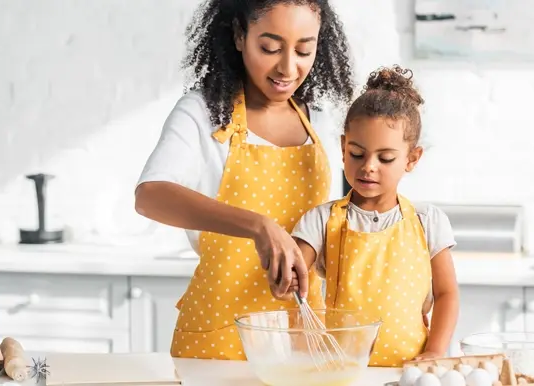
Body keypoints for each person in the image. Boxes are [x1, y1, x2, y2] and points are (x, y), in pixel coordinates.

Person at [134, 0, 356, 360]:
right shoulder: (203, 111)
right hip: (219, 334)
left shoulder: (319, 119)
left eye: (304, 50)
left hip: (302, 333)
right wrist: (258, 226)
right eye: (269, 48)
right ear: (239, 35)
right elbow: (150, 196)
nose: (288, 67)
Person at [289, 65, 460, 367]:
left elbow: (446, 294)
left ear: (412, 158)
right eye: (357, 153)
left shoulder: (427, 221)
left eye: (386, 158)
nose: (368, 166)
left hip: (410, 372)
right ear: (343, 148)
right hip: (342, 371)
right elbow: (295, 273)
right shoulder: (321, 220)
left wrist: (434, 352)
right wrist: (288, 275)